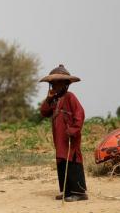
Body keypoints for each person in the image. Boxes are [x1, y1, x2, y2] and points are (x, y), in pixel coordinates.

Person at [40, 64, 88, 202]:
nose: (54, 86)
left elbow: (80, 114)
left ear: (65, 84)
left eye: (57, 83)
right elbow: (44, 112)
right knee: (62, 160)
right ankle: (66, 191)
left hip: (69, 137)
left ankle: (79, 192)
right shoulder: (54, 99)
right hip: (59, 138)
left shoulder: (70, 97)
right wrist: (48, 98)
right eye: (53, 84)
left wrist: (73, 130)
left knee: (72, 161)